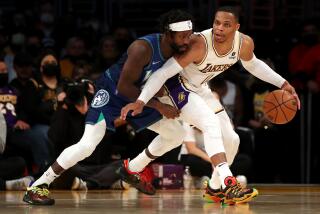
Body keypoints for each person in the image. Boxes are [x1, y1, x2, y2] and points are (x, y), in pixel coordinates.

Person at [121, 6, 300, 205]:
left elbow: (253, 65)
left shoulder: (244, 43)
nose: (220, 28)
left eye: (226, 25)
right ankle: (229, 183)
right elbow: (162, 73)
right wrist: (142, 100)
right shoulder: (199, 44)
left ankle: (215, 188)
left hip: (200, 88)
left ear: (236, 28)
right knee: (209, 123)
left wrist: (283, 83)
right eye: (217, 23)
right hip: (176, 85)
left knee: (232, 139)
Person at [23, 10, 194, 205]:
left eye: (189, 35)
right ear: (168, 33)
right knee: (87, 145)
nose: (187, 40)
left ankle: (132, 168)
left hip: (139, 96)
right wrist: (160, 107)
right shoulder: (143, 48)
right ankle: (38, 185)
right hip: (113, 93)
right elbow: (124, 86)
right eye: (182, 36)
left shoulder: (180, 48)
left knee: (177, 134)